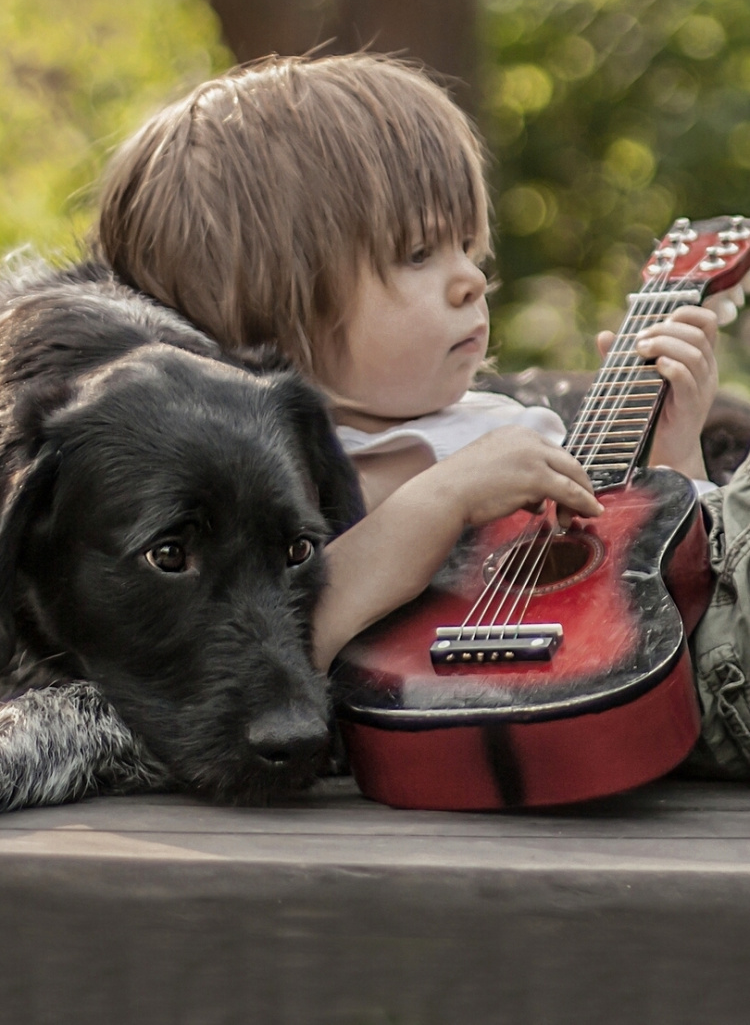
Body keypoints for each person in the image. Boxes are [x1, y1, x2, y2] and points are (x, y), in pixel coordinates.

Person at [95, 54, 735, 767]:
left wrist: (675, 463)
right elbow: (279, 646)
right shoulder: (264, 496)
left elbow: (659, 591)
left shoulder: (513, 429)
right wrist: (440, 499)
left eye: (470, 249)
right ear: (270, 305)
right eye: (418, 252)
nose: (469, 280)